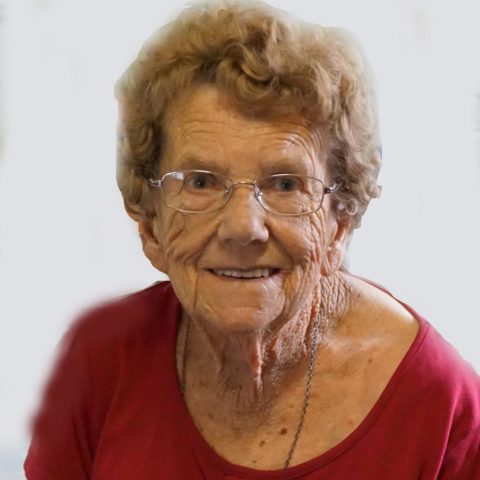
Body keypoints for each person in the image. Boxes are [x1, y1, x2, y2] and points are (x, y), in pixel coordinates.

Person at [24, 1, 480, 478]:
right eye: (201, 182)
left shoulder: (440, 405)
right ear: (150, 223)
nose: (244, 227)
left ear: (338, 224)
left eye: (284, 184)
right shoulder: (98, 362)